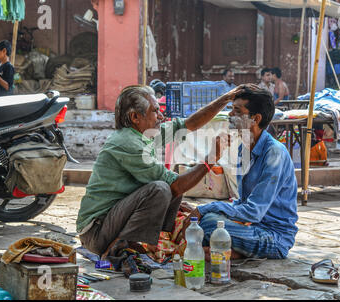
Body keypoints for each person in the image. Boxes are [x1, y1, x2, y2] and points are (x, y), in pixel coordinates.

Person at [76, 84, 252, 259]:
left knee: (171, 187)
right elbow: (175, 186)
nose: (160, 116)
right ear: (136, 117)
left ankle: (154, 239)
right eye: (155, 111)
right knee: (162, 188)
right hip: (96, 232)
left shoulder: (143, 133)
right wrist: (210, 159)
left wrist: (225, 99)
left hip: (113, 219)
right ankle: (123, 249)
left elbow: (187, 125)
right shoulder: (128, 143)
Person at [179, 88, 299, 260]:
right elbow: (241, 203)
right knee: (202, 221)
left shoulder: (274, 153)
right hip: (251, 227)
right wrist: (205, 211)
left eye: (237, 111)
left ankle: (230, 252)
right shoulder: (245, 147)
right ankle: (230, 252)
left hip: (274, 238)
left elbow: (253, 212)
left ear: (255, 119)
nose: (229, 115)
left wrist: (205, 208)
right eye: (231, 109)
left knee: (209, 224)